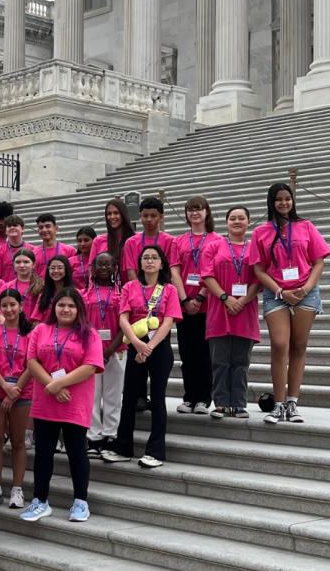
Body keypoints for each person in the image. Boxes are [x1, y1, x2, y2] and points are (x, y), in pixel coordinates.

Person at [20, 288, 104, 523]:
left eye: (71, 306)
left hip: (75, 402)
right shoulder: (41, 330)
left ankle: (80, 502)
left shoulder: (89, 333)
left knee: (77, 453)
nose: (66, 309)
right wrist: (53, 386)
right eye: (61, 305)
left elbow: (90, 366)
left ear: (79, 309)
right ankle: (40, 501)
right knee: (43, 453)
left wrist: (58, 384)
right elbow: (32, 361)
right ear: (54, 307)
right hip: (46, 401)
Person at [252, 183, 330, 424]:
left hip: (305, 292)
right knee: (279, 345)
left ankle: (292, 404)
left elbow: (319, 262)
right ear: (271, 202)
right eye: (279, 199)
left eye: (288, 198)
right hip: (276, 293)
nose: (284, 203)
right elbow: (258, 269)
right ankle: (278, 405)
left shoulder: (306, 226)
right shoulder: (261, 232)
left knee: (298, 347)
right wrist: (280, 291)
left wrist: (306, 288)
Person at [108, 244, 182, 468]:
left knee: (158, 399)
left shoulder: (169, 289)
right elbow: (123, 319)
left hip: (159, 347)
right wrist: (138, 345)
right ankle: (122, 448)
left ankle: (155, 452)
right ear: (140, 263)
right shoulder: (130, 287)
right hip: (135, 345)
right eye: (145, 258)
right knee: (129, 398)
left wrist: (148, 347)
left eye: (154, 258)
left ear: (161, 263)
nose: (150, 261)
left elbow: (168, 322)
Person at [201, 206, 262, 418]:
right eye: (232, 218)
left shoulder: (255, 248)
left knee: (241, 362)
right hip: (220, 309)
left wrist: (242, 301)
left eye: (241, 218)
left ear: (248, 222)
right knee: (220, 361)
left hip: (245, 310)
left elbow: (259, 278)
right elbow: (207, 276)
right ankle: (220, 404)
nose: (237, 222)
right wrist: (226, 298)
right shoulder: (214, 246)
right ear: (226, 223)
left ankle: (239, 404)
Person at [0, 289, 34, 509]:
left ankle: (17, 489)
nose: (9, 309)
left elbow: (32, 364)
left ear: (21, 306)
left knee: (18, 442)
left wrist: (14, 390)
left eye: (13, 304)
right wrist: (5, 388)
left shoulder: (30, 333)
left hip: (22, 393)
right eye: (4, 305)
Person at [170, 196, 222, 415]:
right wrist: (184, 300)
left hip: (208, 305)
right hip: (184, 306)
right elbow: (174, 271)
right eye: (190, 209)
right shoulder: (179, 241)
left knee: (204, 354)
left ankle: (203, 398)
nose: (194, 213)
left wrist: (199, 298)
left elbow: (215, 272)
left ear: (206, 212)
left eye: (199, 209)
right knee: (187, 354)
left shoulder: (217, 240)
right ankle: (189, 397)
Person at [82, 252, 126, 456]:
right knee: (92, 395)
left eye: (108, 264)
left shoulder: (123, 293)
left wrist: (108, 350)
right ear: (93, 268)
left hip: (116, 350)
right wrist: (96, 350)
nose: (104, 267)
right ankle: (93, 436)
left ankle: (110, 434)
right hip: (90, 352)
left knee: (113, 395)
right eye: (99, 264)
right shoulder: (84, 294)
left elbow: (125, 325)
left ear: (115, 268)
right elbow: (81, 324)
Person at [121, 198, 175, 283]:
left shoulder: (171, 241)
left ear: (161, 217)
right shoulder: (130, 242)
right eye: (145, 216)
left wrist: (156, 290)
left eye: (153, 216)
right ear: (140, 216)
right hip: (137, 288)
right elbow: (131, 273)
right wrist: (141, 289)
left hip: (162, 288)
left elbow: (169, 272)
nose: (149, 219)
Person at [89, 198, 136, 269]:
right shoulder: (98, 241)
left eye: (116, 213)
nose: (112, 217)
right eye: (109, 214)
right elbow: (92, 269)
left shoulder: (136, 238)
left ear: (123, 214)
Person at [0, 249, 43, 320]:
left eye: (26, 262)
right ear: (13, 264)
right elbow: (0, 314)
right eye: (18, 262)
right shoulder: (6, 287)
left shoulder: (42, 286)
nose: (22, 265)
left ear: (34, 264)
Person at [0, 215, 38, 283]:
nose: (12, 227)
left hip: (29, 288)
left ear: (22, 229)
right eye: (9, 226)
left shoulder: (33, 250)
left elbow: (37, 273)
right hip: (6, 289)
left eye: (15, 225)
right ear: (6, 231)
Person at [32, 255, 74, 323]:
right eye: (52, 268)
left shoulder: (76, 294)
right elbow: (37, 322)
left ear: (67, 270)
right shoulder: (43, 295)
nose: (56, 271)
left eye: (60, 268)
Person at [34, 213, 76, 278]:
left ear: (56, 229)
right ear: (38, 231)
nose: (44, 230)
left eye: (48, 226)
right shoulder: (34, 254)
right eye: (41, 227)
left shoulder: (69, 251)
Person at [69, 226, 97, 291]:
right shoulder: (71, 261)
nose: (82, 244)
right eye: (79, 241)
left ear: (94, 240)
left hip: (97, 295)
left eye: (86, 240)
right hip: (77, 295)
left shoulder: (100, 260)